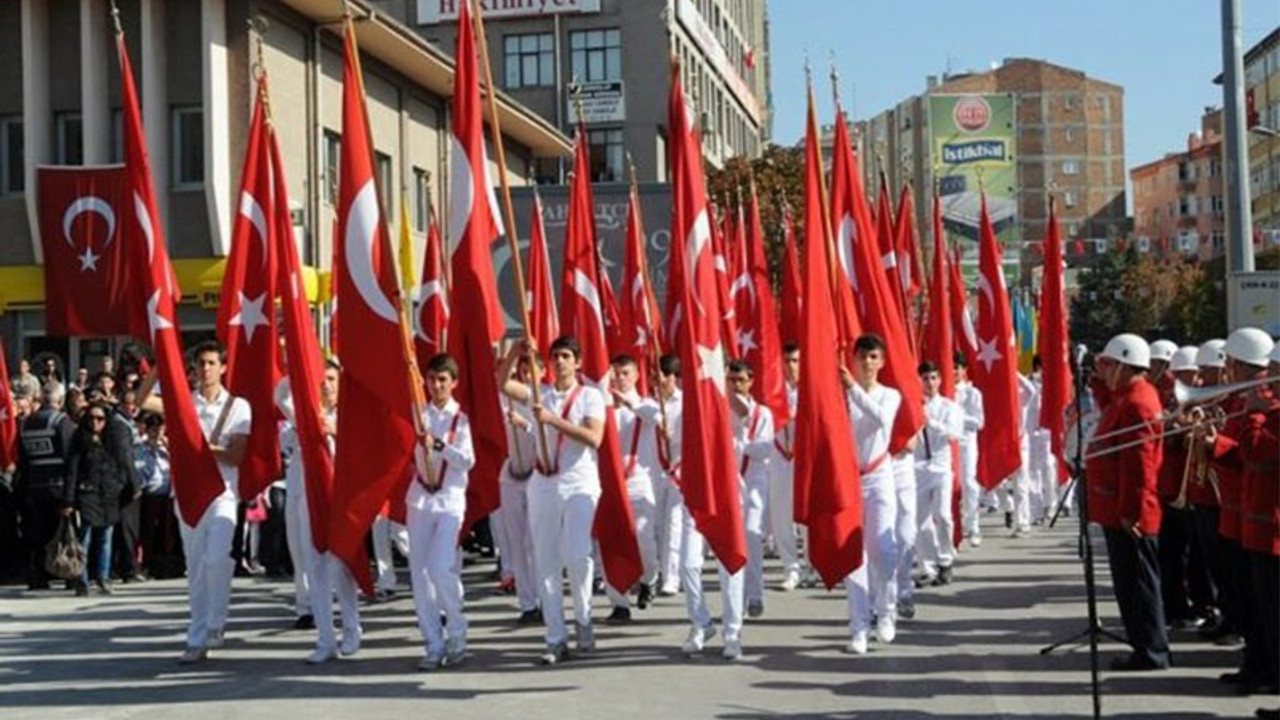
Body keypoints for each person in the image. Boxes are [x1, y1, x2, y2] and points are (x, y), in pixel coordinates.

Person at [498, 336, 605, 665]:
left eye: (566, 356)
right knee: (545, 562)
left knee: (576, 555)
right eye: (555, 356)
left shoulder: (590, 396)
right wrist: (516, 350)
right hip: (542, 483)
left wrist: (553, 421)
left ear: (577, 362)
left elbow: (594, 438)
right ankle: (555, 637)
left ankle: (584, 618)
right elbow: (502, 384)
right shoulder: (539, 394)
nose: (559, 362)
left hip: (578, 483)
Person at [161, 340, 251, 664]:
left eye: (212, 363)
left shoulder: (238, 406)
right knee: (195, 568)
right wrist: (161, 363)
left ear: (223, 367)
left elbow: (236, 455)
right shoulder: (184, 403)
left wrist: (197, 447)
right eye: (201, 363)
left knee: (216, 559)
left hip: (223, 493)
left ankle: (217, 621)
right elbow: (143, 402)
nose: (206, 369)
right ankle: (197, 637)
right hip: (188, 494)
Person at [1087, 333, 1170, 671]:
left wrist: (1129, 512)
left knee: (1138, 585)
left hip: (1131, 513)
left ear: (1123, 365)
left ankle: (1151, 650)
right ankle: (1144, 646)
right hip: (1120, 510)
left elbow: (1140, 466)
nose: (1104, 370)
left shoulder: (1138, 401)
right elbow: (1110, 405)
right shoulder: (1128, 396)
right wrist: (1097, 380)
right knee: (1129, 584)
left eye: (1108, 365)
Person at [1208, 328, 1278, 694]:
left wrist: (1252, 417)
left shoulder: (1261, 406)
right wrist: (1211, 443)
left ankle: (1267, 671)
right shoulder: (1247, 401)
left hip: (1264, 521)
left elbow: (1256, 452)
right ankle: (1256, 665)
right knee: (1253, 606)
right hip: (1244, 514)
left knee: (1266, 609)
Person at [408, 353, 475, 671]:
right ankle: (433, 643)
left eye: (443, 380)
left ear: (453, 383)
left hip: (449, 499)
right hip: (420, 498)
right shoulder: (417, 413)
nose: (436, 386)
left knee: (440, 568)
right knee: (421, 577)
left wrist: (436, 445)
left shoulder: (460, 419)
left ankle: (457, 630)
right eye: (432, 379)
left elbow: (466, 460)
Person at [842, 334, 903, 654]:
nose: (867, 363)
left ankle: (886, 612)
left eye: (873, 357)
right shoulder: (843, 396)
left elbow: (881, 420)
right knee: (854, 557)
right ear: (853, 359)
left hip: (880, 479)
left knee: (883, 549)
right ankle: (858, 627)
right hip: (851, 481)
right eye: (862, 356)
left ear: (881, 362)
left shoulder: (890, 396)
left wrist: (852, 388)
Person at [603, 354, 660, 623]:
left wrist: (629, 402)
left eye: (625, 373)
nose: (620, 378)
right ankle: (618, 602)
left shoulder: (645, 404)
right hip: (610, 482)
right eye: (615, 373)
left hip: (638, 481)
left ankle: (649, 578)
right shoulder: (602, 407)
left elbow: (656, 418)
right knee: (610, 541)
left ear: (637, 375)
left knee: (644, 539)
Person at [63, 400, 139, 595]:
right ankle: (82, 580)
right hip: (87, 493)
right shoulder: (79, 439)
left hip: (108, 495)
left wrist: (121, 486)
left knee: (106, 539)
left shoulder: (112, 440)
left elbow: (122, 465)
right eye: (91, 418)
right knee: (84, 539)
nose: (96, 422)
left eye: (100, 418)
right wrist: (69, 500)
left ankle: (103, 578)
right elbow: (72, 471)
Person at [495, 351, 543, 625]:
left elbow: (548, 436)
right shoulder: (508, 398)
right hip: (512, 475)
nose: (527, 376)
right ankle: (527, 603)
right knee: (516, 542)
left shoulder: (544, 398)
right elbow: (500, 381)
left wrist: (525, 425)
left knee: (535, 542)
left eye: (533, 371)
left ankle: (545, 599)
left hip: (537, 476)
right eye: (523, 371)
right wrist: (513, 353)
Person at [16, 382, 76, 590]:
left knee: (39, 533)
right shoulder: (61, 421)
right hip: (58, 486)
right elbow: (71, 459)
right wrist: (70, 493)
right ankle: (69, 572)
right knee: (64, 534)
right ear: (59, 401)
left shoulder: (27, 423)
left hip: (35, 487)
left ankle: (39, 575)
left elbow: (23, 459)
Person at [727, 358, 773, 620]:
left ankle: (755, 593)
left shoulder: (761, 413)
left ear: (751, 381)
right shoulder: (723, 409)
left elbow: (765, 448)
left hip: (754, 480)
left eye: (741, 380)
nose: (736, 385)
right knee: (734, 539)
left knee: (752, 536)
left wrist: (741, 442)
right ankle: (736, 599)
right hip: (731, 479)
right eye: (732, 380)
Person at [913, 361, 964, 588]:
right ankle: (927, 567)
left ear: (940, 380)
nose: (930, 383)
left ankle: (946, 560)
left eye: (934, 378)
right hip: (918, 468)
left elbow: (954, 434)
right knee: (920, 521)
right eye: (925, 378)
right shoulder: (914, 405)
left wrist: (930, 422)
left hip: (941, 467)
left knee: (943, 515)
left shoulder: (949, 407)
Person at [648, 353, 686, 597]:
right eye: (656, 376)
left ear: (674, 378)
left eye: (665, 376)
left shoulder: (684, 403)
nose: (660, 381)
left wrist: (671, 435)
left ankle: (671, 577)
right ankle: (655, 572)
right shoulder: (649, 404)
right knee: (655, 525)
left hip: (677, 468)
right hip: (653, 470)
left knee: (674, 522)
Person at [769, 343, 805, 591]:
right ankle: (791, 568)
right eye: (787, 361)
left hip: (805, 457)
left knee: (807, 516)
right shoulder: (774, 392)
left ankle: (813, 564)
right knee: (781, 514)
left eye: (795, 361)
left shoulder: (813, 390)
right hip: (780, 455)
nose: (791, 367)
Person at [134, 412, 181, 579]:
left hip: (167, 493)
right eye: (154, 430)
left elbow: (177, 466)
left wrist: (167, 449)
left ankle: (165, 565)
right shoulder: (141, 447)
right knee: (149, 531)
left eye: (160, 430)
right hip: (151, 493)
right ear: (147, 430)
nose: (157, 434)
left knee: (166, 531)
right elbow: (140, 469)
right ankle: (147, 563)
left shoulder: (167, 447)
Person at [955, 354, 986, 547]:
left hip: (967, 443)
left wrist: (957, 417)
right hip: (947, 444)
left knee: (968, 483)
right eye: (951, 367)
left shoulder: (972, 393)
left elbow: (979, 422)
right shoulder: (943, 392)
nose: (954, 372)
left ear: (965, 370)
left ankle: (973, 526)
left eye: (958, 367)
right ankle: (956, 529)